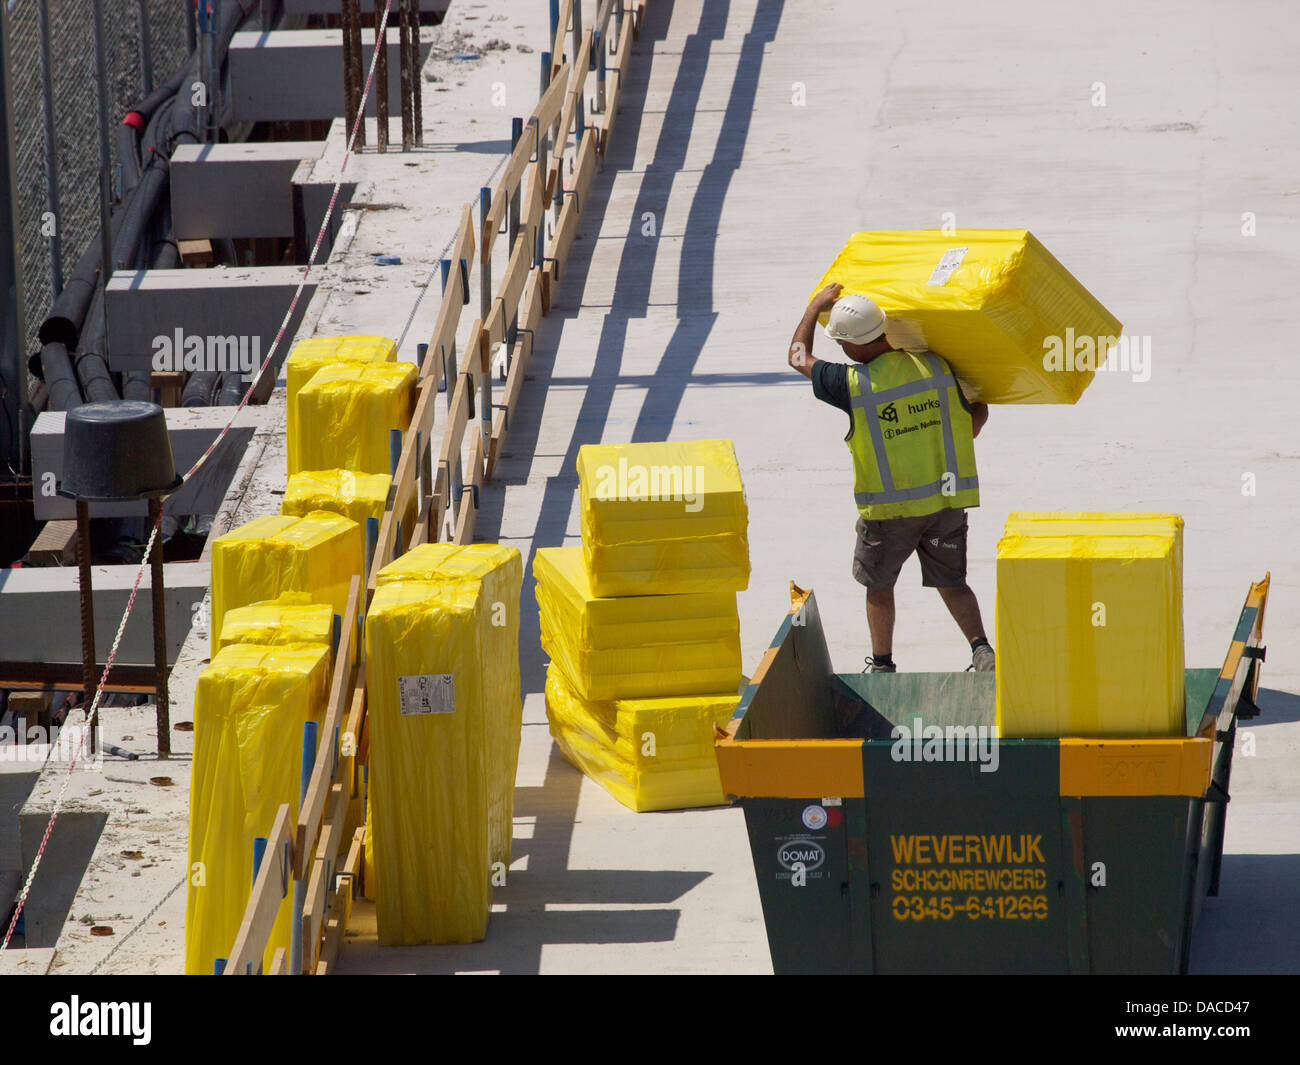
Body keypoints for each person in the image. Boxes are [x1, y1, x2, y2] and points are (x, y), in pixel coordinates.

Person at [788, 282, 995, 673]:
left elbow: (798, 356)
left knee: (879, 587)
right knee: (952, 582)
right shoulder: (935, 366)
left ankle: (883, 665)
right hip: (945, 505)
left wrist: (814, 306)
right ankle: (982, 651)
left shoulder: (850, 384)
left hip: (890, 512)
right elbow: (971, 422)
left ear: (853, 347)